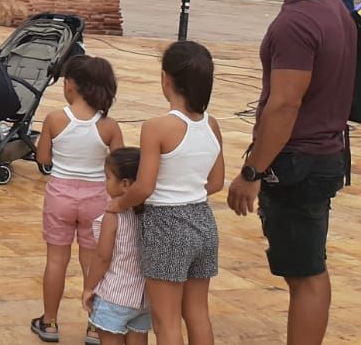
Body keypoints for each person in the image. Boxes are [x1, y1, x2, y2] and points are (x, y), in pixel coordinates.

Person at [226, 0, 355, 345]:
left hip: (298, 160)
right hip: (326, 153)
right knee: (310, 268)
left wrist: (252, 172)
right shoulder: (334, 9)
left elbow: (285, 104)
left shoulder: (295, 23)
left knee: (305, 275)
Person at [110, 41, 224, 345]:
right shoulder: (212, 124)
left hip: (166, 226)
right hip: (203, 221)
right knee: (198, 313)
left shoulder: (156, 127)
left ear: (166, 79)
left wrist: (118, 204)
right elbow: (216, 182)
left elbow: (144, 187)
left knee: (166, 321)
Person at [32, 55, 125, 343]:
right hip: (96, 199)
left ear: (72, 85)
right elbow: (120, 166)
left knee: (56, 260)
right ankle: (95, 326)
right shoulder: (109, 126)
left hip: (59, 195)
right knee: (92, 262)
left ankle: (49, 322)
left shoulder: (55, 118)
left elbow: (43, 158)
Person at [81, 148, 152, 345]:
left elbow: (102, 257)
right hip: (145, 297)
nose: (105, 182)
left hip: (115, 294)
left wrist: (88, 287)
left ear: (125, 184)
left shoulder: (113, 215)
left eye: (107, 177)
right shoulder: (151, 213)